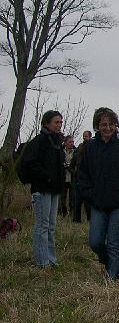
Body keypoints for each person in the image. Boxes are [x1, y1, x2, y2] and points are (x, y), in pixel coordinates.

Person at [76, 108, 119, 280]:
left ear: (116, 125)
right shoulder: (90, 147)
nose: (107, 128)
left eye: (111, 124)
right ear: (97, 126)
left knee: (113, 243)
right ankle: (108, 262)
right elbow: (82, 174)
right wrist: (89, 194)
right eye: (103, 125)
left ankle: (113, 279)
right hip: (98, 203)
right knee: (96, 242)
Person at [20, 110, 65, 268]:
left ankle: (51, 259)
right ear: (47, 123)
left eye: (60, 122)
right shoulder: (39, 141)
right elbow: (30, 163)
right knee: (43, 225)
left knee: (51, 226)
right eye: (56, 122)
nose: (59, 125)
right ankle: (41, 261)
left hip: (55, 189)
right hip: (42, 188)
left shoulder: (58, 143)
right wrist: (46, 176)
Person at [70, 130, 92, 222]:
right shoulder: (78, 151)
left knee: (88, 203)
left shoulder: (93, 149)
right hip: (78, 180)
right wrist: (75, 173)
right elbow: (71, 166)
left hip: (89, 181)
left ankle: (90, 220)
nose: (84, 138)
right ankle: (76, 220)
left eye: (86, 136)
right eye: (83, 136)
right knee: (77, 202)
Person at [59, 135, 76, 217]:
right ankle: (64, 213)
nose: (72, 143)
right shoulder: (61, 152)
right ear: (65, 143)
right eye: (70, 142)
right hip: (63, 177)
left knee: (72, 198)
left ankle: (72, 213)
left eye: (72, 142)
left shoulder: (75, 152)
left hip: (72, 177)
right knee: (62, 197)